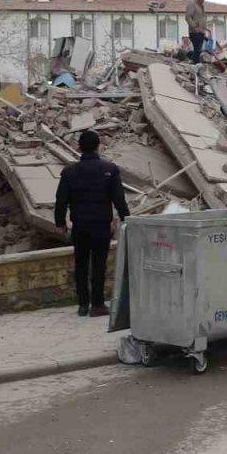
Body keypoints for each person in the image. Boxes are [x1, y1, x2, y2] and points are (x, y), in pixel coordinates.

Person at [54, 130, 130, 318]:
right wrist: (127, 219)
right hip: (101, 226)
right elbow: (119, 199)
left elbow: (61, 200)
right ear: (98, 145)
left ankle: (82, 305)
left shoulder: (69, 172)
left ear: (79, 147)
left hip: (79, 226)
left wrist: (60, 223)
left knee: (81, 264)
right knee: (99, 264)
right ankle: (97, 304)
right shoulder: (110, 170)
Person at [185, 0, 209, 64]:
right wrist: (194, 28)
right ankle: (194, 63)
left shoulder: (202, 7)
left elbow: (202, 19)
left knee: (198, 50)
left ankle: (191, 58)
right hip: (194, 31)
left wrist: (204, 30)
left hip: (201, 31)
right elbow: (188, 17)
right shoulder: (192, 5)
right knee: (197, 49)